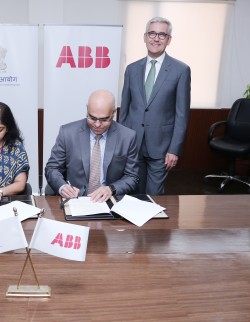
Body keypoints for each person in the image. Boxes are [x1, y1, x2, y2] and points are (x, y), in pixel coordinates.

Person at [120, 16, 191, 195]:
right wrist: (120, 142)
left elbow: (181, 114)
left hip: (161, 147)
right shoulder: (131, 69)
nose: (156, 38)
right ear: (145, 37)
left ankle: (153, 223)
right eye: (152, 33)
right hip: (133, 143)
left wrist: (174, 149)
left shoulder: (181, 70)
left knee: (154, 195)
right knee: (133, 192)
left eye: (161, 34)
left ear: (169, 39)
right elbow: (125, 108)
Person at [45, 89, 139, 203]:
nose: (97, 124)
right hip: (75, 199)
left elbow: (132, 177)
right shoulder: (67, 133)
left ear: (113, 113)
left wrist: (111, 189)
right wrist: (63, 187)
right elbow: (52, 168)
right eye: (92, 118)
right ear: (87, 110)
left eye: (104, 119)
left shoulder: (127, 137)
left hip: (109, 200)